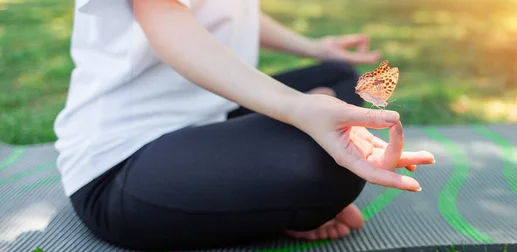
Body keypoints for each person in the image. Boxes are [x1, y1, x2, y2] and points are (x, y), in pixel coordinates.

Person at [53, 0, 436, 250]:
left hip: (209, 117)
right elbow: (165, 15)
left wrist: (314, 48)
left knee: (340, 79)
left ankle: (269, 193)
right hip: (121, 166)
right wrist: (297, 108)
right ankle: (284, 201)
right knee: (327, 167)